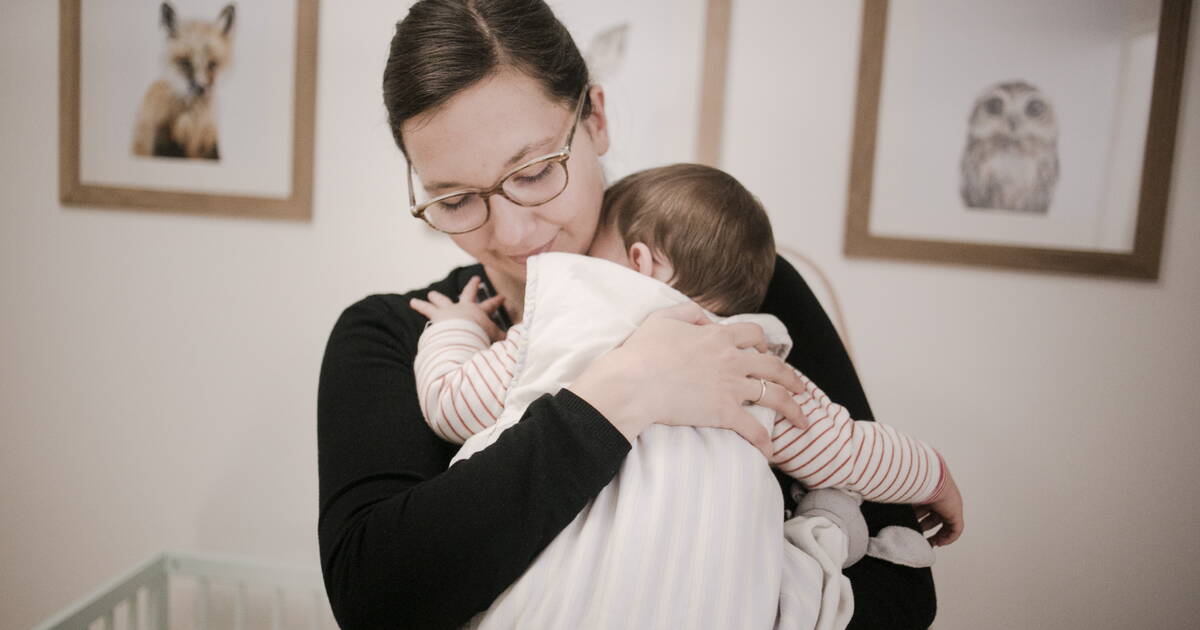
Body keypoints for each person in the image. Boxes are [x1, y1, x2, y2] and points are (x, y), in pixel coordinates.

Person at [317, 1, 940, 628]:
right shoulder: (400, 336)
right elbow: (374, 602)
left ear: (597, 120)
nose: (510, 233)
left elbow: (902, 592)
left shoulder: (736, 286)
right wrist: (620, 392)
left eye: (533, 173)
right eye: (453, 200)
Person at [407, 164, 962, 628]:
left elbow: (452, 403)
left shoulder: (572, 317)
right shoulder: (756, 358)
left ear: (642, 263)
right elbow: (848, 451)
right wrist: (932, 475)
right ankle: (830, 530)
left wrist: (456, 327)